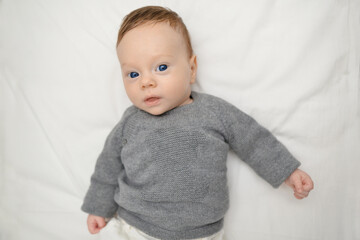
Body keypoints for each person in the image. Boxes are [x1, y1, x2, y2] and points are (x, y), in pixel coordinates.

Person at [81, 6, 314, 240]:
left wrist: (288, 172)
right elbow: (107, 166)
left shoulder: (214, 112)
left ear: (191, 69)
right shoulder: (131, 121)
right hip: (136, 226)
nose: (146, 82)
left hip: (201, 233)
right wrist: (99, 208)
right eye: (133, 74)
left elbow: (253, 140)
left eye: (161, 68)